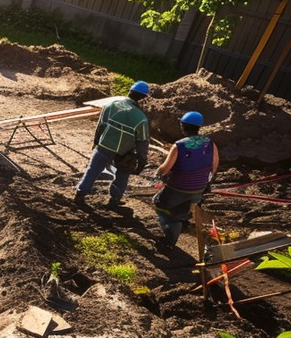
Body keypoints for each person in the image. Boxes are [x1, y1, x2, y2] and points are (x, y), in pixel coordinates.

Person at [74, 80, 151, 207]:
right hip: (124, 152)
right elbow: (142, 142)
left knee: (93, 170)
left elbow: (101, 126)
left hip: (104, 146)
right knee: (122, 175)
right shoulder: (141, 118)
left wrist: (96, 141)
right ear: (143, 98)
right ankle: (114, 199)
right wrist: (142, 160)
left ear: (129, 91)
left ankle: (80, 194)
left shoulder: (110, 105)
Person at [152, 111, 219, 249]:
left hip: (177, 188)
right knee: (183, 205)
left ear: (183, 126)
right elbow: (214, 166)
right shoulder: (210, 143)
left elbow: (165, 168)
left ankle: (170, 236)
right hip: (198, 189)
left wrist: (157, 174)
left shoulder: (179, 145)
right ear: (199, 127)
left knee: (159, 204)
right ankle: (183, 217)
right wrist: (207, 182)